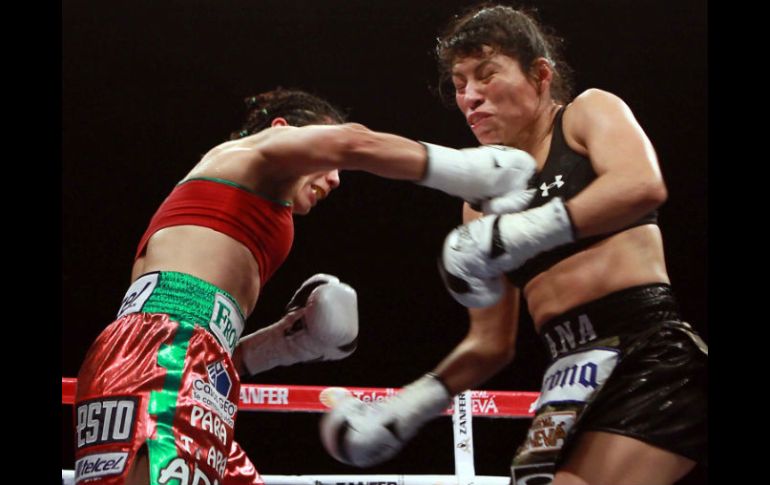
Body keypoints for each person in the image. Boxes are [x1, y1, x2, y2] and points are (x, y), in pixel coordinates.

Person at [72, 87, 541, 485]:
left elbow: (213, 349)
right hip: (159, 357)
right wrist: (472, 172)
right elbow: (355, 143)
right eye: (326, 162)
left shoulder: (255, 211)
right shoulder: (250, 155)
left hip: (191, 366)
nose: (335, 179)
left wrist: (287, 343)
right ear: (283, 130)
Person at [320, 5, 708, 485]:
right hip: (569, 372)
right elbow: (491, 344)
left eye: (486, 76)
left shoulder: (586, 114)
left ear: (540, 74)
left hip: (647, 354)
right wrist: (407, 406)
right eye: (460, 84)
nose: (470, 97)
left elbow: (641, 185)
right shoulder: (480, 202)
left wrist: (521, 232)